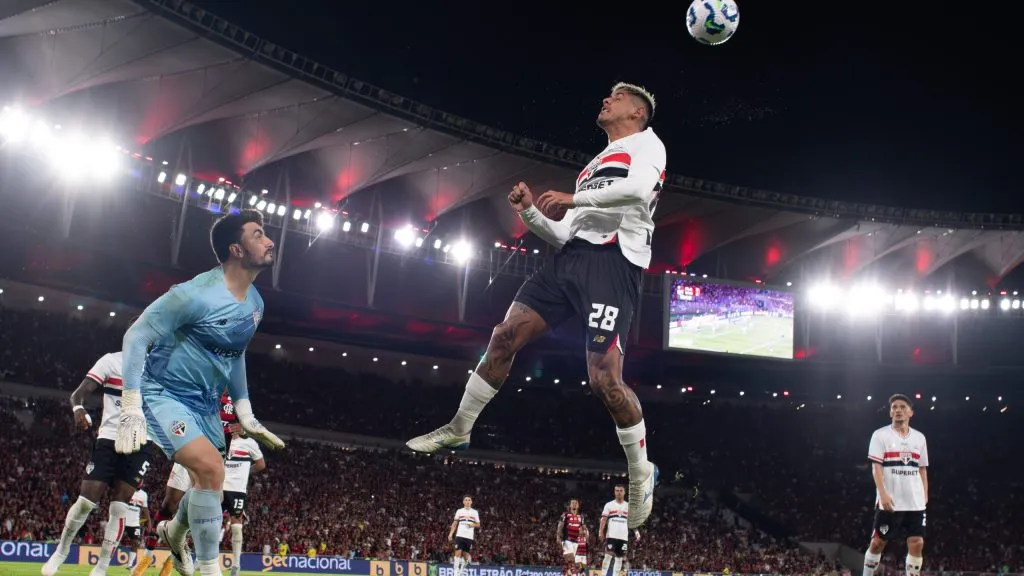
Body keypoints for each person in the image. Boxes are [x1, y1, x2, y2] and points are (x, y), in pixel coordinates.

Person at [407, 82, 665, 529]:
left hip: (612, 264)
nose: (605, 99)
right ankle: (459, 428)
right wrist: (529, 212)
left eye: (616, 97)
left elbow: (639, 192)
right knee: (503, 336)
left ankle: (641, 470)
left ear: (637, 112)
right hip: (568, 262)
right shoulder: (594, 166)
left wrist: (572, 198)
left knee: (604, 380)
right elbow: (565, 233)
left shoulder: (648, 145)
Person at [115, 209, 285, 576]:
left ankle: (173, 531)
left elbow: (234, 354)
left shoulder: (256, 304)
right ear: (236, 250)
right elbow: (137, 335)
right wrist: (131, 403)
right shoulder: (193, 294)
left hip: (207, 404)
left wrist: (245, 410)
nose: (269, 240)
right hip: (165, 394)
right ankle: (209, 569)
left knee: (212, 483)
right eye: (258, 234)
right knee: (210, 468)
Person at [41, 343, 157, 576]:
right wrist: (78, 409)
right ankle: (61, 551)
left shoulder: (159, 369)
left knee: (119, 505)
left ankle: (102, 566)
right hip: (109, 438)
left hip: (141, 442)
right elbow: (78, 394)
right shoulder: (111, 361)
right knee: (86, 500)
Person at [863, 394, 929, 576]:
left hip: (915, 502)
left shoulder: (919, 438)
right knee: (877, 543)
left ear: (911, 412)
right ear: (890, 412)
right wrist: (882, 494)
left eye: (902, 407)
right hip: (890, 501)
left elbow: (922, 469)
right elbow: (876, 468)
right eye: (894, 407)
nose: (898, 410)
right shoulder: (880, 435)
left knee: (917, 543)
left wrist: (925, 495)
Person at [221, 421, 266, 576]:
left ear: (242, 427)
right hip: (219, 487)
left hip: (237, 490)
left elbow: (261, 464)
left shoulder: (249, 443)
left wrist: (246, 472)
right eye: (230, 425)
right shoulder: (221, 440)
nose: (233, 427)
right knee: (210, 524)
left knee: (236, 525)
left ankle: (236, 565)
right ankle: (204, 559)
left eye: (236, 425)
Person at [599, 485, 630, 576]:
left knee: (619, 558)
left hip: (623, 537)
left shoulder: (628, 506)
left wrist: (636, 532)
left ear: (624, 492)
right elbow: (603, 519)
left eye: (621, 490)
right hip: (611, 536)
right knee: (608, 556)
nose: (619, 492)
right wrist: (600, 532)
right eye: (617, 490)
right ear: (614, 492)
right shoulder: (609, 505)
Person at [448, 496, 480, 576]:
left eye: (469, 500)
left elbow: (478, 524)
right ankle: (455, 572)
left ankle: (462, 571)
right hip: (460, 535)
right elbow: (455, 523)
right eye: (466, 500)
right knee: (457, 553)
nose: (468, 501)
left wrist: (473, 525)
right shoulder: (459, 511)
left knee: (466, 557)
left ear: (471, 502)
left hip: (469, 537)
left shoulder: (475, 512)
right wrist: (451, 534)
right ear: (463, 502)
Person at [557, 499, 584, 576]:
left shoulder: (581, 517)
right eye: (573, 503)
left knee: (572, 561)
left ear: (578, 505)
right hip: (567, 540)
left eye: (576, 503)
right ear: (570, 505)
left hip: (577, 541)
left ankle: (566, 573)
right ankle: (571, 573)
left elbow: (582, 528)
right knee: (570, 558)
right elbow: (560, 525)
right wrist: (558, 536)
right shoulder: (565, 514)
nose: (574, 504)